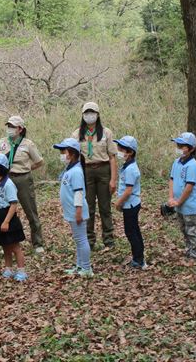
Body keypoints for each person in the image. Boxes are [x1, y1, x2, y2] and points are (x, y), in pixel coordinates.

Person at [0, 116, 45, 254]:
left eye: (13, 127)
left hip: (23, 179)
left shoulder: (28, 144)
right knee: (5, 210)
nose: (10, 129)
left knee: (30, 210)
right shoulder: (1, 143)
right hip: (5, 179)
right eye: (8, 126)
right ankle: (7, 242)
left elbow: (39, 161)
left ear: (20, 129)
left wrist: (26, 168)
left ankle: (37, 242)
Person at [72, 102, 117, 250]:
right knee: (88, 207)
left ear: (97, 115)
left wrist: (113, 179)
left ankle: (109, 240)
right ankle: (89, 240)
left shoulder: (106, 133)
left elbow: (112, 157)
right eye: (86, 113)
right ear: (82, 115)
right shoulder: (77, 134)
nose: (89, 116)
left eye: (92, 113)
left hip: (103, 170)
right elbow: (73, 157)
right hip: (86, 171)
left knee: (105, 207)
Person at [53, 138, 92, 277]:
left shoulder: (76, 172)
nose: (62, 154)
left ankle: (86, 268)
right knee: (78, 240)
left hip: (77, 212)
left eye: (64, 151)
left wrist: (78, 211)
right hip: (72, 211)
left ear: (72, 153)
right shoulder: (70, 169)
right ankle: (80, 266)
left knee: (81, 239)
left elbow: (79, 192)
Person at [0, 153, 27, 281]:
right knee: (5, 245)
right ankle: (8, 268)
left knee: (14, 246)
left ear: (0, 169)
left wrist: (6, 222)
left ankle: (21, 270)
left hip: (8, 217)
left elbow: (13, 204)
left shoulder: (8, 184)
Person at [167, 132, 196, 261]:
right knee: (184, 229)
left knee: (192, 231)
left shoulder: (193, 166)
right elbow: (171, 179)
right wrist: (171, 198)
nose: (179, 147)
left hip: (190, 206)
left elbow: (189, 187)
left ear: (191, 148)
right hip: (178, 205)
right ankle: (188, 250)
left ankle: (195, 254)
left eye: (182, 146)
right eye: (178, 145)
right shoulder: (176, 162)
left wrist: (179, 201)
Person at [113, 136, 146, 269]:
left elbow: (128, 191)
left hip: (130, 205)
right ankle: (139, 256)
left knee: (131, 231)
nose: (119, 151)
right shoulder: (127, 166)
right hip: (130, 204)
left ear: (130, 152)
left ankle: (138, 260)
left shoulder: (131, 169)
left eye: (122, 149)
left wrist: (118, 203)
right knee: (134, 230)